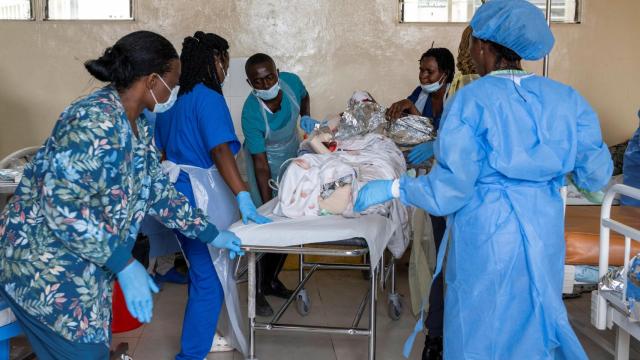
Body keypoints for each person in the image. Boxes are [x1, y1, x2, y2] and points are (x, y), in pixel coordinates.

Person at [355, 0, 612, 358]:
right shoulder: (566, 99)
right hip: (543, 229)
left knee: (481, 326)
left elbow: (450, 190)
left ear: (482, 45)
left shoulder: (472, 100)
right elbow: (596, 175)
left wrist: (396, 187)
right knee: (534, 318)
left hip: (486, 232)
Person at [0, 31, 243, 360]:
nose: (174, 90)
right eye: (173, 82)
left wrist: (211, 232)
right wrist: (125, 264)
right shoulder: (89, 121)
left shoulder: (139, 125)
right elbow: (63, 208)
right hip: (42, 262)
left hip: (87, 264)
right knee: (84, 352)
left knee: (94, 348)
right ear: (151, 79)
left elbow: (157, 189)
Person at [154, 31, 269, 358]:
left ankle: (199, 340)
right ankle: (190, 354)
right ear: (215, 60)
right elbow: (219, 149)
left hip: (177, 194)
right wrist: (243, 195)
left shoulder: (173, 100)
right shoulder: (208, 97)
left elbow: (164, 152)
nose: (226, 70)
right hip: (197, 198)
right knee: (210, 280)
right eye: (225, 62)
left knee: (200, 270)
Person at [386, 47, 455, 359]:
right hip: (428, 184)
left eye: (429, 72)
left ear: (446, 74)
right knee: (439, 257)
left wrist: (434, 141)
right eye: (422, 71)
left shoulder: (457, 99)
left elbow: (456, 141)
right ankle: (436, 334)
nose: (423, 77)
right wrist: (406, 111)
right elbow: (407, 128)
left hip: (451, 185)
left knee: (449, 261)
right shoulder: (421, 94)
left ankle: (441, 332)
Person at [241, 53, 316, 316]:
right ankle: (258, 289)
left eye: (270, 76)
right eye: (258, 81)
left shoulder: (291, 83)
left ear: (277, 72)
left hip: (291, 156)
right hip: (264, 164)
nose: (266, 84)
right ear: (250, 83)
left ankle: (272, 280)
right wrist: (267, 204)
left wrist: (306, 115)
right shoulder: (251, 112)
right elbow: (261, 165)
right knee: (266, 229)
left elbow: (304, 95)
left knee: (290, 222)